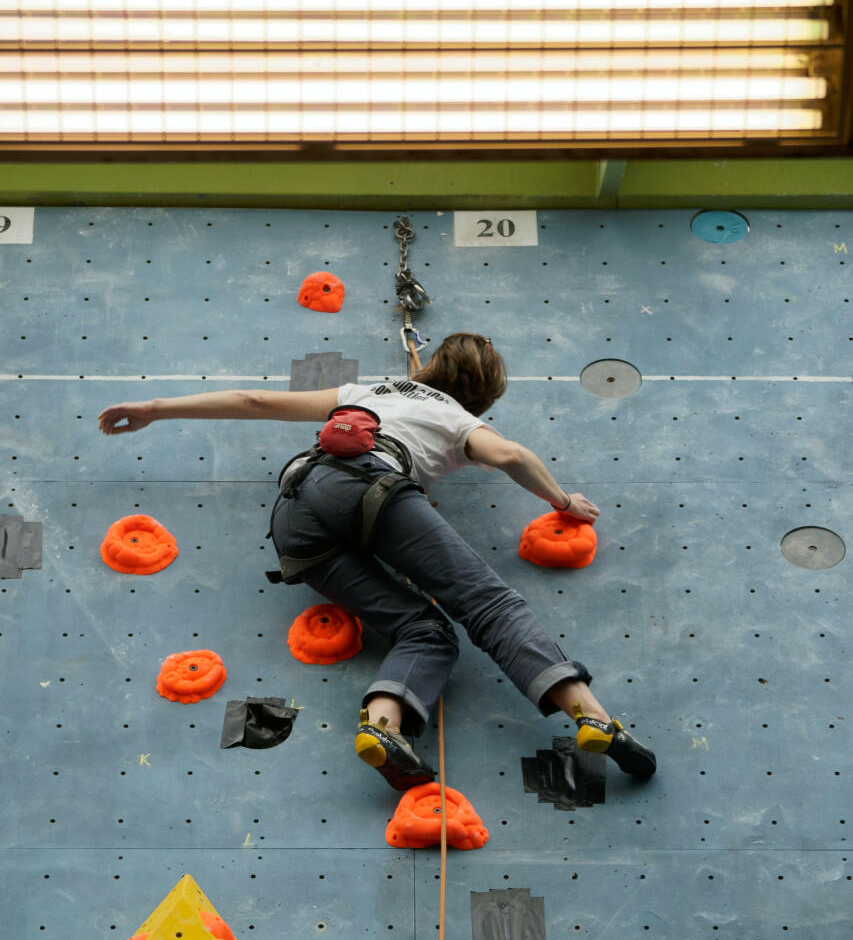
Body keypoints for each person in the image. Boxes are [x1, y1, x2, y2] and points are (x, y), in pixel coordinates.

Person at [98, 332, 656, 790]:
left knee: (424, 630)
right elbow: (509, 454)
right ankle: (593, 719)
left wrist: (153, 409)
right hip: (370, 486)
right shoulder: (459, 417)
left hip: (294, 521)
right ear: (482, 396)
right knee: (488, 605)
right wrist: (563, 501)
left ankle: (383, 729)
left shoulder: (363, 392)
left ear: (430, 366)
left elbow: (256, 402)